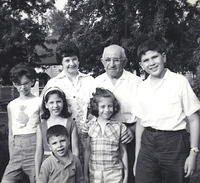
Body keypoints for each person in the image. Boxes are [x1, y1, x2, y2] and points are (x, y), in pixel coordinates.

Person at [134, 38, 200, 183]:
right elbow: (140, 122)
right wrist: (138, 157)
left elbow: (194, 119)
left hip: (175, 143)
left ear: (163, 57)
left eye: (154, 57)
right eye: (146, 60)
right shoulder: (142, 87)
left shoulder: (179, 82)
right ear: (141, 65)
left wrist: (193, 153)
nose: (151, 63)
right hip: (148, 144)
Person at [42, 41, 95, 166]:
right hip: (64, 136)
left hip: (88, 134)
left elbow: (96, 106)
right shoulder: (54, 83)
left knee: (87, 170)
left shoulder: (89, 80)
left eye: (74, 59)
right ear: (61, 62)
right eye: (67, 60)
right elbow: (44, 108)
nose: (72, 63)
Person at [94, 44, 142, 183]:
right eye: (107, 60)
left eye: (116, 60)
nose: (112, 64)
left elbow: (144, 114)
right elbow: (92, 112)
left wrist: (133, 130)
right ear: (102, 62)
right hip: (105, 138)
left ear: (124, 61)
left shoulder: (137, 82)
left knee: (130, 177)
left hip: (129, 135)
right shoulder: (97, 82)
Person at [1, 63, 41, 183]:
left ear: (32, 81)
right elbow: (11, 133)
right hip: (16, 150)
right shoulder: (11, 105)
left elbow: (42, 128)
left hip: (34, 147)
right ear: (14, 84)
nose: (22, 88)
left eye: (25, 83)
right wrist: (12, 154)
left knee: (37, 179)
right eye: (18, 84)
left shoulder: (39, 102)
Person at [84, 88, 128, 183]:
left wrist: (126, 174)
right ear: (96, 107)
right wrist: (85, 174)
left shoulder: (119, 126)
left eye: (110, 106)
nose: (107, 110)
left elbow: (123, 152)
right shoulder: (90, 126)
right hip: (95, 174)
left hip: (114, 174)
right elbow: (87, 151)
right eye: (102, 106)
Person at [35, 87, 79, 180]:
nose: (55, 105)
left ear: (63, 103)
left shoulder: (70, 123)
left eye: (58, 101)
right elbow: (39, 152)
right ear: (46, 105)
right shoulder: (41, 126)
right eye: (51, 102)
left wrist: (74, 167)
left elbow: (75, 150)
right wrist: (37, 174)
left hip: (67, 163)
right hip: (49, 166)